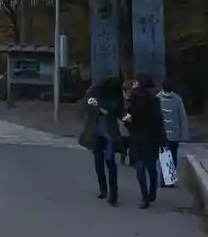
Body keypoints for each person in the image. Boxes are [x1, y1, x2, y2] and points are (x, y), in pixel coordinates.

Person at [79, 77, 124, 207]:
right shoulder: (95, 92)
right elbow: (86, 104)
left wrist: (125, 118)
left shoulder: (116, 94)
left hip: (109, 133)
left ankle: (113, 193)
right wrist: (99, 109)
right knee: (99, 161)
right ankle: (103, 188)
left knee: (110, 161)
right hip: (97, 131)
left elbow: (121, 111)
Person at [124, 74, 167, 209]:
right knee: (151, 167)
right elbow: (159, 121)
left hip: (137, 138)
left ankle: (145, 196)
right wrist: (162, 139)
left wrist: (129, 126)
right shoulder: (154, 102)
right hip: (151, 139)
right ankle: (152, 192)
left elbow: (128, 120)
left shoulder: (134, 100)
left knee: (140, 168)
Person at [157, 78, 189, 185]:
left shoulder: (158, 98)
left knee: (164, 155)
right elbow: (182, 118)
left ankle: (164, 178)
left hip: (161, 133)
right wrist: (184, 135)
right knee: (173, 155)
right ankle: (169, 179)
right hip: (174, 133)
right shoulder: (178, 100)